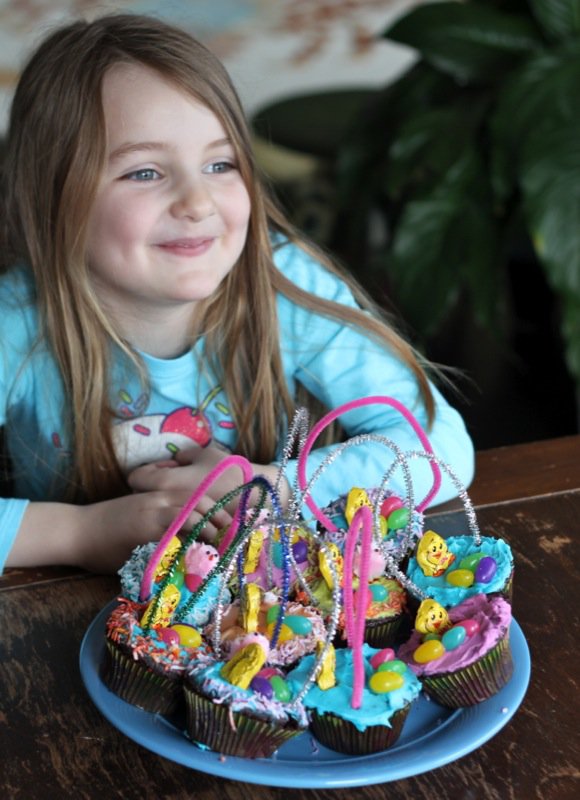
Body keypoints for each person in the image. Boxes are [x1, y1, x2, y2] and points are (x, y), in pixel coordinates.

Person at [0, 13, 474, 575]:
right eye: (145, 172)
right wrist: (82, 533)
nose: (198, 203)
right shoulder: (17, 322)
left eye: (220, 163)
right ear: (54, 196)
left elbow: (442, 445)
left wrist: (269, 486)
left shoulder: (283, 286)